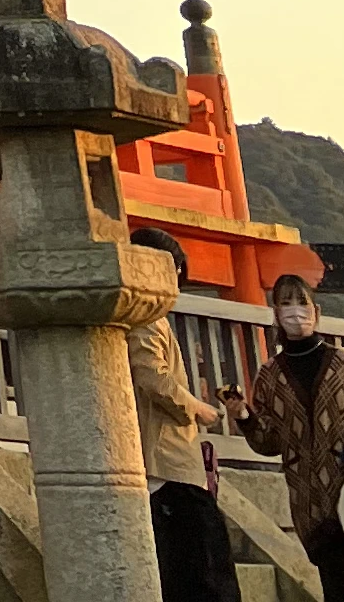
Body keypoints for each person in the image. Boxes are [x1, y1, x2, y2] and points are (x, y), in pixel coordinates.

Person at [231, 270, 344, 602]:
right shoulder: (269, 376)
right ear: (276, 314)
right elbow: (269, 442)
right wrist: (243, 415)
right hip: (312, 500)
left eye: (302, 302)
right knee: (336, 591)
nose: (296, 311)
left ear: (316, 311)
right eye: (286, 303)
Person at [127, 226, 240, 602]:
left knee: (197, 568)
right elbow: (153, 379)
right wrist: (198, 408)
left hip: (175, 460)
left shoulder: (151, 319)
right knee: (202, 570)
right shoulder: (145, 320)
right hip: (168, 462)